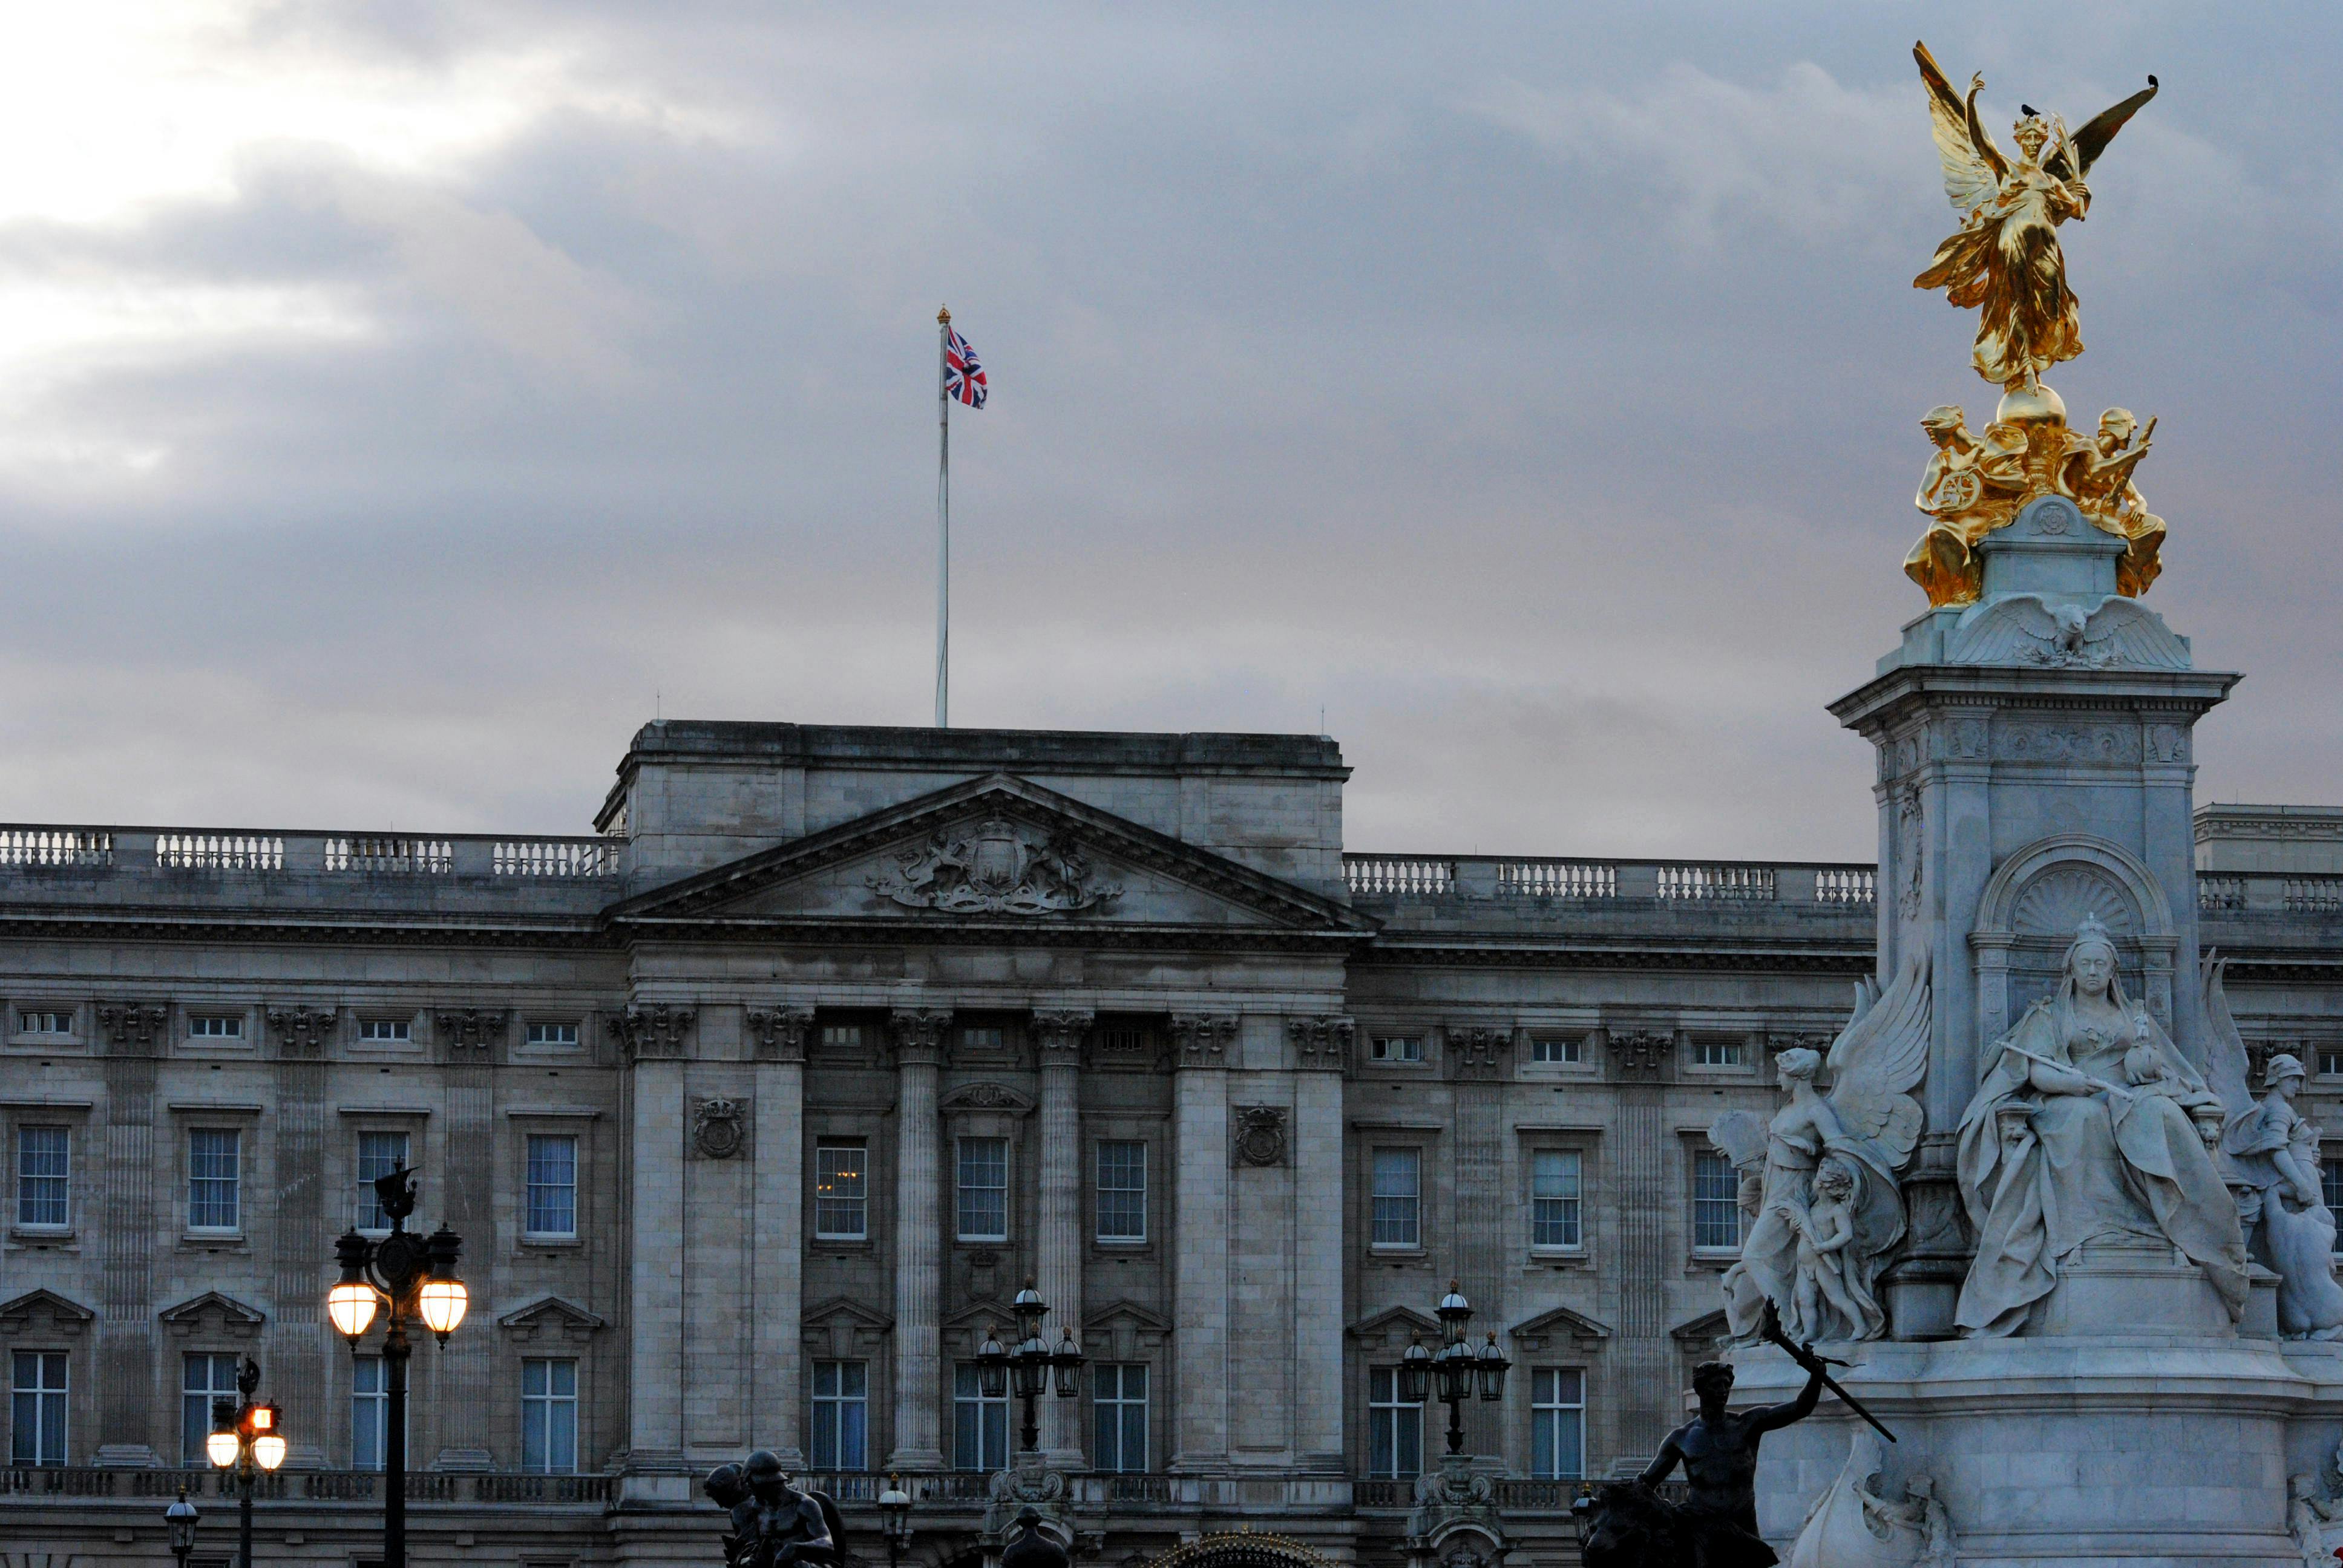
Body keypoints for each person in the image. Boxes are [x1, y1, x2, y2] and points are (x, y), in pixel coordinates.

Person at [1955, 917, 2248, 1336]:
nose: (2093, 972)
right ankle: (2088, 1235)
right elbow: (2035, 1069)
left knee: (2161, 1115)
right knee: (2085, 1119)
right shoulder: (2050, 1013)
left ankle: (2178, 1224)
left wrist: (2145, 1068)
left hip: (2126, 1096)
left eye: (2100, 965)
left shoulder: (2135, 1015)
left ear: (2113, 971)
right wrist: (2071, 1083)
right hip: (2065, 1098)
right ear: (2070, 970)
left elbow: (2162, 1065)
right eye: (2086, 964)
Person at [1635, 1355, 1826, 1567]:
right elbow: (1645, 1484)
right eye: (1716, 1385)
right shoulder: (1681, 1438)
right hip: (1701, 1529)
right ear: (1700, 1389)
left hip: (1742, 1525)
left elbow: (1800, 1408)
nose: (1723, 1390)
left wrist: (1816, 1377)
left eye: (1727, 1385)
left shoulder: (1748, 1424)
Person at [2224, 1054, 2343, 1339]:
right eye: (2292, 1079)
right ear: (2276, 1079)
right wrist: (2301, 1183)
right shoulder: (2278, 1109)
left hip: (2293, 1188)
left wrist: (2308, 1156)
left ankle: (2300, 1322)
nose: (2297, 1085)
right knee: (2298, 1260)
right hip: (2293, 1191)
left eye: (2300, 1080)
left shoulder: (2280, 1108)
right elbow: (2276, 1150)